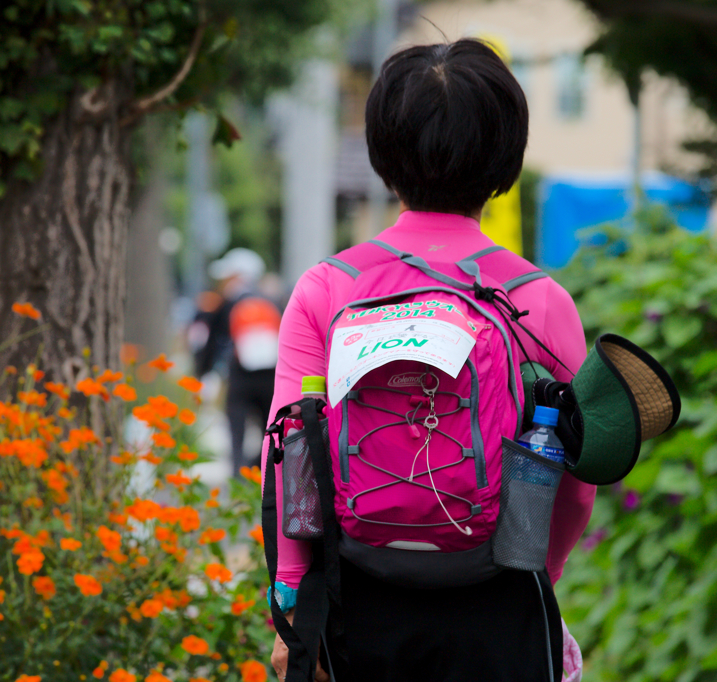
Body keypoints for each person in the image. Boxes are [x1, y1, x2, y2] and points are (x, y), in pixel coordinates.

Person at [263, 40, 596, 682]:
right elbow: (578, 481)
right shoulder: (538, 301)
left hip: (352, 604)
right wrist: (538, 575)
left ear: (384, 154)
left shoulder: (326, 289)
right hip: (500, 599)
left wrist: (291, 599)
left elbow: (287, 457)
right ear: (507, 157)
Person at [189, 247, 281, 474]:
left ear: (237, 276)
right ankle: (265, 476)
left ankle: (238, 476)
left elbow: (212, 342)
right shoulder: (271, 300)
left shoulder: (228, 302)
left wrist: (202, 372)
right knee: (268, 428)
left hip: (240, 376)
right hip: (271, 377)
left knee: (237, 429)